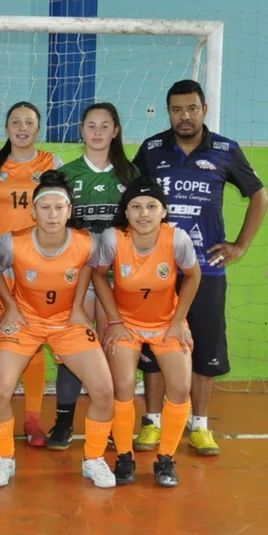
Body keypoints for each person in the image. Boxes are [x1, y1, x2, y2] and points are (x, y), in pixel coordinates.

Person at [133, 79, 268, 457]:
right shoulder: (152, 150)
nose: (185, 116)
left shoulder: (226, 150)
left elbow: (260, 196)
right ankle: (152, 422)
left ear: (204, 109)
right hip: (158, 271)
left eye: (192, 108)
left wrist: (240, 245)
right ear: (169, 112)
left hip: (207, 270)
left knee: (205, 348)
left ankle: (200, 425)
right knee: (154, 346)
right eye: (177, 110)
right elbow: (132, 198)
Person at [0, 171, 117, 488]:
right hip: (26, 322)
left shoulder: (87, 242)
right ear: (33, 211)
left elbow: (88, 265)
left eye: (59, 208)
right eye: (45, 208)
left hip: (67, 323)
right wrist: (10, 307)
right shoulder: (12, 243)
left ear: (69, 211)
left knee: (104, 392)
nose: (52, 215)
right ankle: (3, 458)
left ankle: (93, 459)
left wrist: (78, 307)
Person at [91, 176, 201, 487]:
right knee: (123, 386)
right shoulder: (113, 239)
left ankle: (165, 459)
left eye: (151, 206)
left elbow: (193, 276)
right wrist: (114, 321)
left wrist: (179, 321)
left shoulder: (177, 239)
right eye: (136, 207)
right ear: (126, 212)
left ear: (163, 211)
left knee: (180, 388)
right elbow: (99, 276)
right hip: (127, 323)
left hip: (166, 323)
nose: (144, 213)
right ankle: (124, 456)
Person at [50, 102, 143, 451]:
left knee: (112, 346)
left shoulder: (130, 174)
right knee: (73, 345)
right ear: (82, 130)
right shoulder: (67, 174)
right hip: (75, 277)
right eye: (91, 125)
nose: (98, 132)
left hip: (116, 278)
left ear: (116, 131)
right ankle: (63, 422)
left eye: (105, 126)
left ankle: (113, 424)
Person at [0, 101, 63, 447]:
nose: (22, 128)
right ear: (6, 128)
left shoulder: (50, 162)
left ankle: (32, 419)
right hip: (2, 263)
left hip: (37, 265)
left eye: (29, 122)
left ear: (38, 128)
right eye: (15, 122)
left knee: (33, 344)